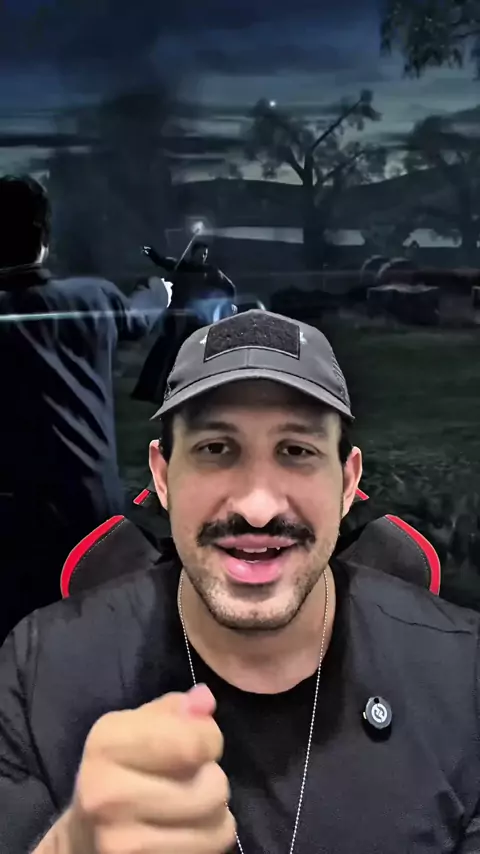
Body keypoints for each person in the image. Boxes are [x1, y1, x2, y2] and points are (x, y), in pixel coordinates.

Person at [1, 309, 480, 854]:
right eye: (215, 450)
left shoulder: (464, 677)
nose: (257, 508)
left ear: (348, 484)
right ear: (162, 476)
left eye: (296, 451)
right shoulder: (39, 671)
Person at [0, 175, 169, 642]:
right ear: (44, 235)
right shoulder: (92, 297)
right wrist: (159, 290)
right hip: (93, 509)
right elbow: (140, 317)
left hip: (16, 516)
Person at [131, 240, 237, 403]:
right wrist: (151, 253)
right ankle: (153, 391)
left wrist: (226, 304)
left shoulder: (210, 271)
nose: (202, 257)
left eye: (205, 254)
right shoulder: (181, 266)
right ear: (193, 254)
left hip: (194, 319)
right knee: (164, 352)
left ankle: (187, 390)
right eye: (200, 253)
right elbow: (162, 261)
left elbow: (229, 287)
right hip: (175, 316)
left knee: (189, 355)